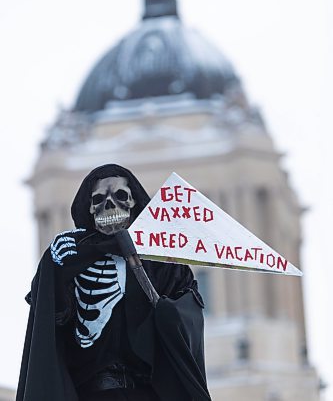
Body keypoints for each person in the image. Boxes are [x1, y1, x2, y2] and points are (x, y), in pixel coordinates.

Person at [16, 164, 211, 401]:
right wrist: (55, 274)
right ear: (88, 207)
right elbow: (50, 319)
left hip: (146, 391)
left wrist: (166, 312)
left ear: (134, 202)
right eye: (98, 199)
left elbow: (188, 317)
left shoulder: (162, 261)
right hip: (89, 392)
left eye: (121, 196)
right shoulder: (70, 257)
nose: (109, 205)